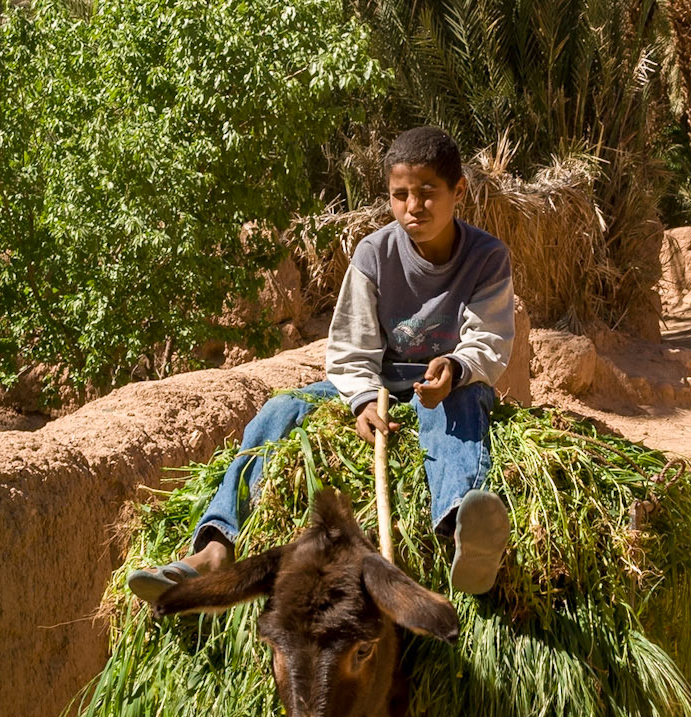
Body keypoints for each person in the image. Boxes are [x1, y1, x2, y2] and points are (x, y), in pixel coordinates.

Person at [127, 124, 514, 604]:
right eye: (400, 195)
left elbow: (489, 339)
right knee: (277, 411)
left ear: (459, 191)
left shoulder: (486, 257)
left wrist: (454, 369)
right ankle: (215, 546)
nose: (413, 207)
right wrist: (358, 402)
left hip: (448, 383)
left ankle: (462, 527)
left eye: (428, 193)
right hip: (377, 385)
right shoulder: (375, 254)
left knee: (459, 406)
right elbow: (351, 347)